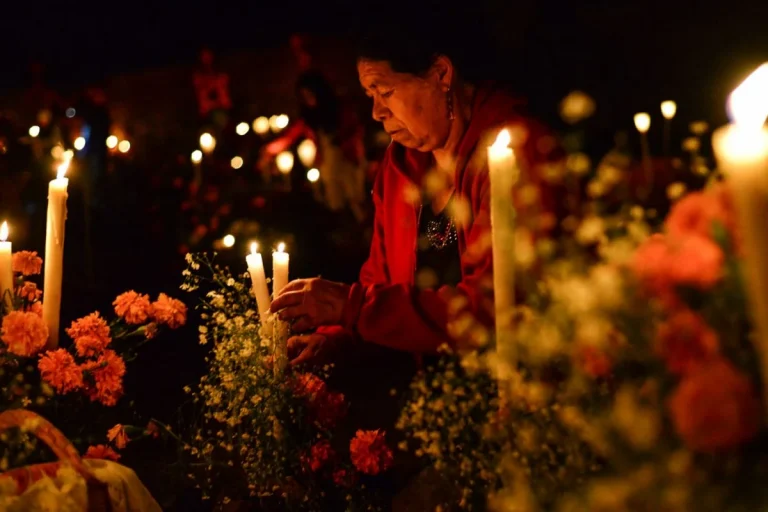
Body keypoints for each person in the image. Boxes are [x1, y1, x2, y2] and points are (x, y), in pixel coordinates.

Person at [271, 29, 563, 365]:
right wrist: (338, 338)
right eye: (370, 96)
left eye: (386, 91)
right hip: (427, 394)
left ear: (441, 74)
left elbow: (496, 304)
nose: (376, 112)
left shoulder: (518, 153)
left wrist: (351, 307)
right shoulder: (400, 167)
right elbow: (379, 282)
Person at [262, 70, 368, 223]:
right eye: (304, 96)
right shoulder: (310, 116)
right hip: (327, 163)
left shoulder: (340, 108)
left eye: (310, 94)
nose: (309, 99)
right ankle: (344, 230)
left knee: (355, 197)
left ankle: (363, 228)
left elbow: (355, 130)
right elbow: (291, 135)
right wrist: (270, 149)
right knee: (334, 198)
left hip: (348, 160)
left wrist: (343, 141)